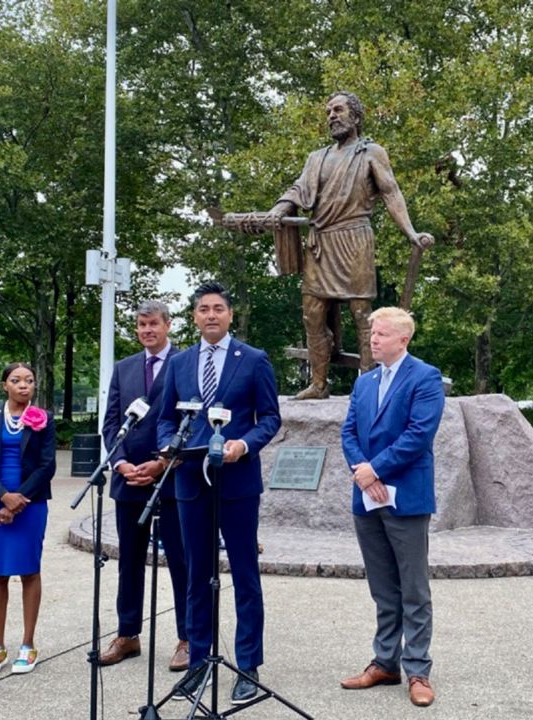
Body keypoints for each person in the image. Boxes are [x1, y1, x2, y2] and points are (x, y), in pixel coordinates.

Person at [156, 282, 281, 705]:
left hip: (237, 482)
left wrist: (243, 445)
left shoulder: (255, 360)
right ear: (194, 317)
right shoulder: (180, 363)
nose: (211, 315)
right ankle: (198, 663)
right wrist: (168, 446)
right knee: (196, 575)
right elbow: (163, 418)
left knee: (244, 574)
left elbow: (270, 418)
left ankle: (248, 666)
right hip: (190, 480)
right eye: (203, 309)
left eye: (218, 309)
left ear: (230, 315)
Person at [267, 90, 433, 399]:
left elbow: (391, 192)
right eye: (328, 111)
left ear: (355, 117)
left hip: (355, 238)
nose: (331, 115)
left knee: (362, 314)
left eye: (338, 110)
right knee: (312, 313)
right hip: (321, 242)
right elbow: (298, 190)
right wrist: (279, 209)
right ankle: (319, 384)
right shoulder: (317, 158)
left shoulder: (371, 153)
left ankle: (370, 386)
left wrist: (410, 232)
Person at [338, 307, 444, 707]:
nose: (373, 339)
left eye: (382, 334)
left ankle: (418, 669)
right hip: (366, 499)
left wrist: (375, 469)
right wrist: (363, 472)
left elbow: (420, 434)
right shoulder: (364, 383)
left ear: (404, 339)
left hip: (406, 497)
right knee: (383, 588)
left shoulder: (425, 377)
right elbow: (348, 431)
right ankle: (385, 662)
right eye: (372, 333)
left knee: (413, 588)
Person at [97, 300, 190, 671]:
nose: (147, 330)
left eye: (154, 324)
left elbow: (190, 417)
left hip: (170, 479)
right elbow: (111, 422)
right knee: (129, 561)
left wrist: (163, 462)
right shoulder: (124, 368)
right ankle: (128, 634)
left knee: (181, 561)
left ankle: (187, 637)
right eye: (141, 325)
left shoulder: (185, 364)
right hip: (129, 480)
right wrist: (120, 463)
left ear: (168, 325)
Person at [0, 362, 57, 676]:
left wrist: (18, 500)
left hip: (30, 504)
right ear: (4, 384)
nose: (24, 385)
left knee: (30, 571)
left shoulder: (43, 420)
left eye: (29, 381)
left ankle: (28, 644)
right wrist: (3, 498)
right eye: (17, 380)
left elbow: (47, 466)